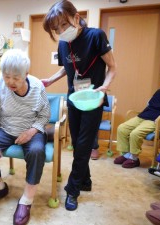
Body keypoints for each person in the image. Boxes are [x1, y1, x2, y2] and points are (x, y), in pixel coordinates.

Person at [42, 0, 117, 211]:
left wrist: (104, 87)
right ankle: (85, 181)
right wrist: (49, 80)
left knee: (83, 146)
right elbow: (66, 68)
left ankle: (72, 190)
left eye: (63, 25)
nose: (61, 32)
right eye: (56, 29)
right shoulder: (63, 43)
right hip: (74, 98)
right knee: (77, 143)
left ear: (76, 17)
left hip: (93, 100)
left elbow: (112, 66)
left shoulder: (96, 36)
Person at [0, 49, 50, 225]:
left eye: (16, 78)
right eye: (6, 76)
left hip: (31, 130)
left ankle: (26, 199)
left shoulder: (37, 87)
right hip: (7, 128)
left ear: (26, 74)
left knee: (36, 151)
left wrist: (32, 131)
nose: (10, 81)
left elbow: (44, 115)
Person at [114, 72, 160, 169]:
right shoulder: (158, 92)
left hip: (157, 120)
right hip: (143, 116)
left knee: (135, 133)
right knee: (122, 128)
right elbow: (150, 104)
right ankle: (126, 155)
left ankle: (134, 158)